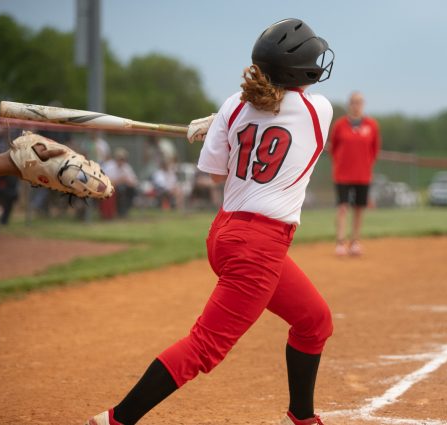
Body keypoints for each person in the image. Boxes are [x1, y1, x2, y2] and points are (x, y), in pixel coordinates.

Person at [84, 18, 335, 425]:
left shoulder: (234, 105)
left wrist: (221, 122)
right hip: (259, 247)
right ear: (299, 72)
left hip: (226, 234)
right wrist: (221, 120)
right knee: (204, 348)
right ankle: (116, 420)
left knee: (314, 320)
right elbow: (275, 115)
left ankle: (302, 417)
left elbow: (217, 171)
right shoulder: (317, 109)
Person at [329, 91, 381, 256]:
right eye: (353, 102)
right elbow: (333, 147)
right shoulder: (340, 125)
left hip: (363, 174)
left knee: (359, 208)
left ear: (363, 104)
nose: (356, 105)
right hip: (342, 174)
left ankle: (355, 241)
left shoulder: (371, 125)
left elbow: (375, 149)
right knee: (343, 207)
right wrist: (340, 162)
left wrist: (365, 164)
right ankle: (340, 242)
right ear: (349, 104)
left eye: (359, 102)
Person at [102, 148, 139, 218]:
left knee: (132, 190)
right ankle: (114, 213)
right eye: (120, 159)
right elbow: (106, 181)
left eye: (123, 159)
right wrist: (120, 180)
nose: (121, 161)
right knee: (119, 190)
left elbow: (134, 181)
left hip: (124, 188)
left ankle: (124, 211)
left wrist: (128, 181)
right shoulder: (109, 166)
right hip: (112, 188)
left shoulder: (127, 167)